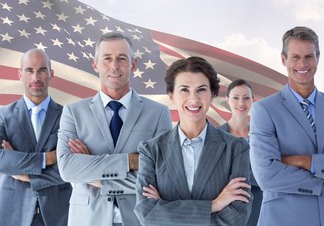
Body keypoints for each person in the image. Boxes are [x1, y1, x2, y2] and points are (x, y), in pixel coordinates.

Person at [57, 32, 172, 226]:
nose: (114, 66)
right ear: (95, 65)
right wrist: (131, 160)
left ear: (133, 64)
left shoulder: (158, 113)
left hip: (140, 219)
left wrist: (93, 172)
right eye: (107, 59)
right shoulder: (73, 112)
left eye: (122, 58)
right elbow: (67, 169)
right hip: (88, 219)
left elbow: (162, 176)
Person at [134, 56, 252, 225]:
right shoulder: (151, 150)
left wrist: (166, 210)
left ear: (212, 95)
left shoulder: (236, 148)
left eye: (201, 89)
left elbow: (237, 216)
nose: (194, 99)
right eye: (184, 89)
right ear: (171, 95)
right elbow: (148, 215)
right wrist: (214, 205)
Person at [249, 26, 324, 226]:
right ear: (283, 60)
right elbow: (267, 175)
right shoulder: (263, 110)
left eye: (309, 56)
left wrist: (298, 160)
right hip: (284, 218)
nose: (302, 64)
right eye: (295, 57)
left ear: (318, 58)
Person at [0, 49, 72, 226]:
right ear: (20, 75)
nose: (36, 77)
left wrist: (22, 174)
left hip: (58, 213)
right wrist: (46, 159)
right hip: (13, 213)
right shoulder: (3, 115)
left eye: (41, 70)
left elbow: (69, 167)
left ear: (51, 74)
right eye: (29, 70)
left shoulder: (68, 116)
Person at [219, 79, 262, 226]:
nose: (241, 103)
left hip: (259, 206)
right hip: (225, 209)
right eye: (236, 98)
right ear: (228, 100)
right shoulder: (214, 136)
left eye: (246, 98)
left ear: (252, 100)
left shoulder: (264, 135)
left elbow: (270, 170)